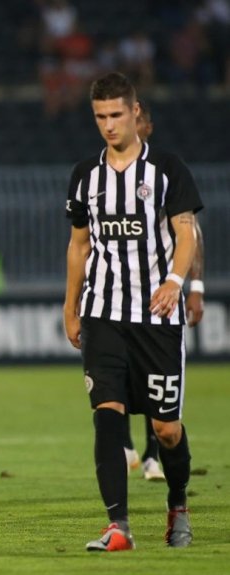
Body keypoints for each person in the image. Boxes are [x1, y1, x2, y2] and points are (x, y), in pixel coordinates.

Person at [64, 72, 202, 551]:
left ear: (136, 112)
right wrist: (71, 304)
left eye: (116, 115)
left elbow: (187, 233)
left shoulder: (166, 169)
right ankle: (118, 526)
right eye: (100, 116)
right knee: (107, 414)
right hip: (103, 313)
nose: (108, 125)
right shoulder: (86, 176)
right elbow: (79, 245)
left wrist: (176, 281)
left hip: (157, 319)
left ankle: (178, 503)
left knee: (165, 428)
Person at [122, 99, 206, 482]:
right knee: (120, 375)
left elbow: (192, 235)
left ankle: (154, 455)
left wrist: (193, 286)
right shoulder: (105, 177)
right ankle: (124, 449)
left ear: (147, 128)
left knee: (155, 386)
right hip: (118, 299)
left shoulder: (164, 174)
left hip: (159, 300)